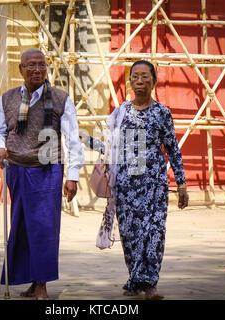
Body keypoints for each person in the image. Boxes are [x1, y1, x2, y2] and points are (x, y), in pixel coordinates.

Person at [81, 60, 189, 300]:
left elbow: (172, 149)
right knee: (131, 235)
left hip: (154, 186)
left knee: (154, 233)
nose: (139, 81)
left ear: (154, 81)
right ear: (130, 81)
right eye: (135, 77)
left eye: (145, 77)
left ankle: (150, 284)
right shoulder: (120, 113)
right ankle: (136, 280)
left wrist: (181, 184)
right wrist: (87, 140)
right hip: (127, 187)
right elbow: (110, 149)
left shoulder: (162, 113)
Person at [0, 48, 84, 300]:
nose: (36, 69)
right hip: (16, 170)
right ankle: (32, 282)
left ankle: (41, 285)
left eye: (41, 65)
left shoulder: (61, 99)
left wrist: (72, 175)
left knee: (44, 228)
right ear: (20, 69)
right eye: (30, 65)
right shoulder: (6, 99)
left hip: (47, 171)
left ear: (47, 68)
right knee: (21, 227)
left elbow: (73, 140)